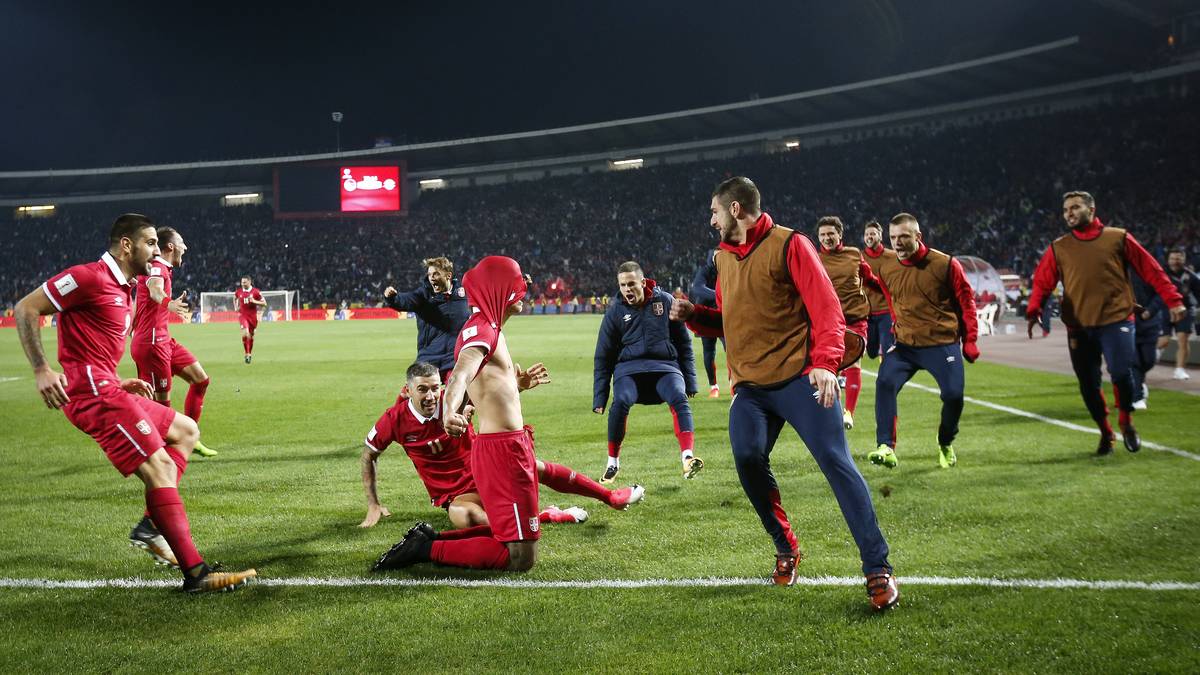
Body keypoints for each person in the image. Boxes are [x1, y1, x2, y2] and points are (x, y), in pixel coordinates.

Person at [672, 177, 898, 611]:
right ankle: (786, 547)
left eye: (714, 211)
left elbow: (827, 308)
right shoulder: (722, 259)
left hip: (800, 378)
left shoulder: (791, 244)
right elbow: (734, 320)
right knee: (747, 459)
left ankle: (878, 567)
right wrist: (695, 315)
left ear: (735, 210)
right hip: (753, 389)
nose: (710, 219)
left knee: (837, 463)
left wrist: (826, 364)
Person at [12, 213, 255, 593]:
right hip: (93, 395)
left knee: (186, 431)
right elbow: (25, 308)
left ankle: (151, 525)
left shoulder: (125, 287)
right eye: (151, 244)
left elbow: (91, 346)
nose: (157, 250)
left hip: (107, 386)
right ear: (127, 245)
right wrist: (42, 369)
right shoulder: (90, 277)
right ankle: (196, 573)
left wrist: (116, 378)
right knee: (159, 467)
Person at [374, 256, 554, 572]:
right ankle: (428, 547)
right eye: (516, 289)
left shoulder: (486, 322)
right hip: (492, 449)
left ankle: (429, 544)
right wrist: (447, 410)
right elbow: (458, 375)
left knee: (517, 545)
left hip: (494, 451)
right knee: (518, 555)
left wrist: (516, 386)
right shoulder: (480, 329)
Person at [360, 361, 644, 528]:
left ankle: (609, 497)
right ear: (408, 389)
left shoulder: (455, 398)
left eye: (435, 387)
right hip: (455, 494)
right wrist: (373, 504)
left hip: (486, 473)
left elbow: (495, 404)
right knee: (462, 517)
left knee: (533, 466)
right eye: (422, 389)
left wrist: (516, 387)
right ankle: (545, 516)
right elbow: (369, 454)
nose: (432, 395)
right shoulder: (395, 419)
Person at [1027, 191, 1184, 454]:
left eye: (1075, 207)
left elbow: (1151, 269)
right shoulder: (1059, 247)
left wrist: (1173, 300)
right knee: (1089, 385)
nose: (1069, 213)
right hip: (1079, 325)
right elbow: (1043, 282)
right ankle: (1105, 431)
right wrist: (1034, 310)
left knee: (1122, 372)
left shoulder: (1117, 237)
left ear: (1091, 208)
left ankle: (1126, 421)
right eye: (1066, 210)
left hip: (1116, 318)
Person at [868, 213, 979, 470]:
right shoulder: (887, 268)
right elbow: (893, 299)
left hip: (942, 344)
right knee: (884, 382)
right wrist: (897, 328)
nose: (897, 243)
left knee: (953, 396)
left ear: (918, 237)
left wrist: (970, 340)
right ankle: (885, 446)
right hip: (906, 346)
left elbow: (967, 303)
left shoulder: (945, 264)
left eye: (904, 237)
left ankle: (945, 440)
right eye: (893, 237)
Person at [594, 261, 700, 483]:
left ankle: (687, 458)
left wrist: (690, 382)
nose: (627, 289)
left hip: (665, 368)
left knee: (679, 398)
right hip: (629, 371)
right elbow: (604, 356)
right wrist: (600, 397)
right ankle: (612, 463)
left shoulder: (666, 301)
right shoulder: (614, 312)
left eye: (631, 284)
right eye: (622, 285)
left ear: (643, 282)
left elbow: (683, 343)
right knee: (620, 401)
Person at [130, 226, 217, 457]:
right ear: (170, 246)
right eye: (182, 242)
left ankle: (190, 436)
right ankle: (163, 454)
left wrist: (132, 325)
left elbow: (141, 298)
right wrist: (168, 303)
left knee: (200, 380)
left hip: (162, 339)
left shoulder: (159, 267)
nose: (185, 247)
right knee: (162, 407)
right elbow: (154, 290)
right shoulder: (158, 266)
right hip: (152, 343)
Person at [816, 216, 882, 431]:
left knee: (853, 362)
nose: (827, 238)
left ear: (839, 235)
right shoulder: (814, 259)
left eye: (830, 234)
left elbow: (870, 280)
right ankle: (830, 413)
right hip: (828, 321)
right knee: (829, 368)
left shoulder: (854, 255)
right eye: (823, 235)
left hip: (855, 318)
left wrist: (892, 293)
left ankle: (848, 413)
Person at [383, 256, 471, 382]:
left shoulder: (463, 295)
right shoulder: (423, 295)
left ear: (448, 276)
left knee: (459, 391)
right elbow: (407, 300)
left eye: (436, 274)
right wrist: (393, 298)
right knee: (412, 393)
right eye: (429, 274)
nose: (431, 278)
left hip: (455, 357)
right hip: (429, 357)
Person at [691, 249, 726, 398]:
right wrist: (719, 295)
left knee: (731, 350)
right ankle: (714, 387)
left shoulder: (727, 268)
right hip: (706, 315)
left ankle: (735, 383)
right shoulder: (705, 271)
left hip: (722, 315)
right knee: (708, 352)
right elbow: (697, 288)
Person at [861, 221, 896, 361]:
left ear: (880, 236)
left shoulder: (892, 257)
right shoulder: (859, 257)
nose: (869, 236)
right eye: (867, 234)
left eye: (873, 233)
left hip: (886, 311)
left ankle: (888, 379)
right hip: (867, 312)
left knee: (888, 349)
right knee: (871, 352)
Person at [1130, 272, 1165, 409]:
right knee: (1134, 362)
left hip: (1150, 322)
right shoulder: (1118, 270)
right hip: (1127, 322)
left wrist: (1150, 310)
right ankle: (1137, 397)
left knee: (1148, 360)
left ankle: (1140, 382)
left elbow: (1160, 293)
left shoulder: (1150, 272)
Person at [1163, 248, 1198, 380]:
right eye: (1172, 258)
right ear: (1168, 259)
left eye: (1178, 258)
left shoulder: (1191, 276)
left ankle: (1180, 369)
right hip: (1165, 310)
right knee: (1163, 341)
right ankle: (1153, 355)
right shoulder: (1161, 273)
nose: (1175, 261)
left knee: (1183, 339)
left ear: (1183, 259)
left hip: (1185, 310)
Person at [235, 276, 266, 363]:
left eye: (244, 282)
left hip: (252, 317)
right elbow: (234, 297)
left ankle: (249, 353)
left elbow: (264, 303)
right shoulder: (239, 291)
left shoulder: (256, 292)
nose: (242, 284)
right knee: (245, 333)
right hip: (242, 315)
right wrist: (236, 307)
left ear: (249, 282)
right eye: (242, 282)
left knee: (251, 336)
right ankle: (247, 353)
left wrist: (254, 301)